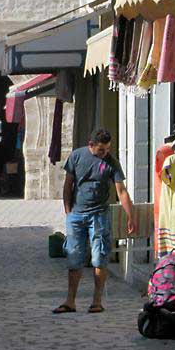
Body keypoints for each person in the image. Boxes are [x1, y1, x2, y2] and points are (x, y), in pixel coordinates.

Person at [53, 129, 136, 315]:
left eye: (107, 149)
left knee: (100, 256)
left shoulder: (111, 162)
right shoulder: (76, 157)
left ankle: (97, 301)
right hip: (76, 214)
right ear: (91, 145)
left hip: (99, 215)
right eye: (101, 150)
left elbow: (121, 191)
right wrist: (68, 210)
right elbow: (68, 184)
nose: (104, 153)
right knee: (74, 256)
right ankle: (70, 301)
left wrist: (131, 215)